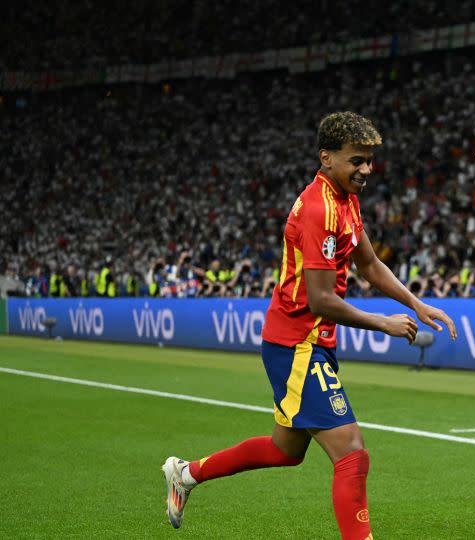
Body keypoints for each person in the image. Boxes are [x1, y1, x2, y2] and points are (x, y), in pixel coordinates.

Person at [162, 112, 458, 539]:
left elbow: (369, 263)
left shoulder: (345, 199)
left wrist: (415, 303)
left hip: (307, 341)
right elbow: (320, 299)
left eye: (370, 160)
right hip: (297, 343)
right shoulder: (319, 209)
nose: (366, 169)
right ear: (326, 158)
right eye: (357, 160)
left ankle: (186, 474)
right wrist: (383, 323)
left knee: (285, 450)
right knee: (352, 455)